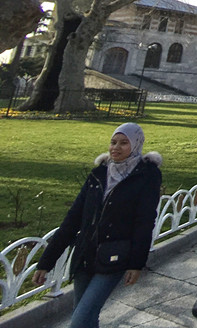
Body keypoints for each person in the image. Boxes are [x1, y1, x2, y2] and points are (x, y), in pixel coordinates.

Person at [33, 123, 162, 328]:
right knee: (85, 317)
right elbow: (73, 218)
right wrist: (46, 262)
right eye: (113, 142)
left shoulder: (146, 176)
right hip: (85, 256)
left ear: (136, 144)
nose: (115, 148)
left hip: (114, 257)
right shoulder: (98, 174)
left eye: (123, 143)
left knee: (80, 320)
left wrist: (136, 264)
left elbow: (144, 222)